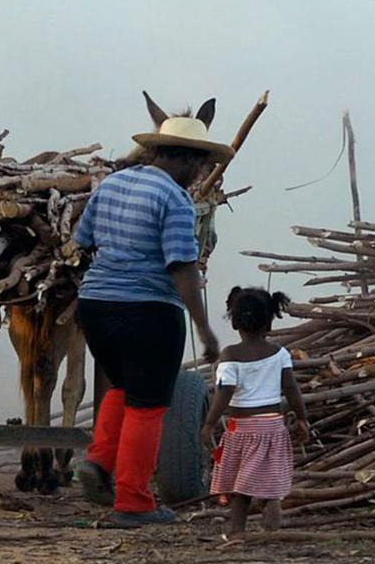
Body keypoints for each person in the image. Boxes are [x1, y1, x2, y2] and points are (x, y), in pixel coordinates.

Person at [71, 92, 233, 528]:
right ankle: (134, 501)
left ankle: (100, 461)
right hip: (148, 311)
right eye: (199, 163)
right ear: (184, 158)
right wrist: (205, 330)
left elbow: (82, 241)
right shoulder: (176, 200)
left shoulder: (112, 184)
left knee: (123, 386)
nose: (201, 172)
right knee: (149, 405)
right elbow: (181, 267)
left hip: (96, 306)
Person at [201, 286, 310, 537]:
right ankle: (271, 500)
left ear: (235, 322)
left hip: (242, 428)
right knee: (268, 471)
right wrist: (303, 418)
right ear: (269, 323)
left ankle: (237, 531)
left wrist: (209, 424)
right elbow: (291, 389)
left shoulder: (230, 355)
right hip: (273, 425)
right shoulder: (280, 354)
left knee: (241, 485)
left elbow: (224, 393)